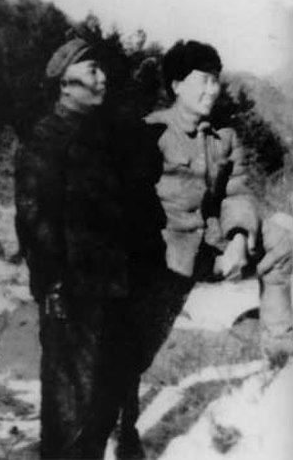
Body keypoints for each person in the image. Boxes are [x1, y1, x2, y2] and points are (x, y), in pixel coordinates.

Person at [116, 39, 293, 457]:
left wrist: (238, 237)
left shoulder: (224, 137)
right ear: (177, 84)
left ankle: (280, 353)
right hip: (163, 256)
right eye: (203, 81)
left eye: (216, 81)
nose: (212, 90)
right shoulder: (151, 132)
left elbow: (237, 189)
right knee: (137, 348)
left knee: (282, 243)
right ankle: (123, 426)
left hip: (214, 245)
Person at [15, 27, 147, 459]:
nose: (103, 77)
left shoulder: (102, 136)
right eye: (93, 69)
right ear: (66, 80)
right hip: (70, 290)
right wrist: (51, 281)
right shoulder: (46, 137)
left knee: (101, 398)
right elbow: (35, 217)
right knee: (70, 402)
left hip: (108, 287)